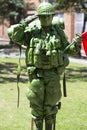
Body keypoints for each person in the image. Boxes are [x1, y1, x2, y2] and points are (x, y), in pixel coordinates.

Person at [7, 2, 81, 130]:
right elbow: (14, 35)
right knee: (36, 108)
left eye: (48, 16)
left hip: (53, 74)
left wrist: (77, 44)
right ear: (38, 17)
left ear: (52, 17)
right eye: (42, 16)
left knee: (50, 108)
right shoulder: (31, 31)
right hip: (36, 75)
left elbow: (70, 49)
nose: (45, 19)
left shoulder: (58, 32)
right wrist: (29, 20)